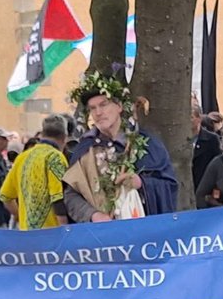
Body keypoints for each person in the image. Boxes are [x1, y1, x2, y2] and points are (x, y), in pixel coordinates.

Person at [63, 72, 179, 221]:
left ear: (119, 106)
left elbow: (169, 186)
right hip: (103, 235)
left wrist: (141, 183)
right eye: (93, 108)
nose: (98, 112)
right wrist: (93, 215)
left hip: (143, 233)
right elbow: (71, 195)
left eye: (104, 104)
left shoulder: (148, 143)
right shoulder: (85, 149)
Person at [0, 114, 69, 229]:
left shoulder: (22, 157)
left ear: (42, 134)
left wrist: (21, 217)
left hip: (27, 235)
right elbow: (58, 198)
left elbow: (6, 197)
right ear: (65, 137)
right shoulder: (55, 157)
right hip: (52, 235)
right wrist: (66, 230)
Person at [192, 103, 222, 189]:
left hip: (204, 185)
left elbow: (218, 163)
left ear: (199, 119)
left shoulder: (211, 139)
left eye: (191, 117)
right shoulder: (181, 139)